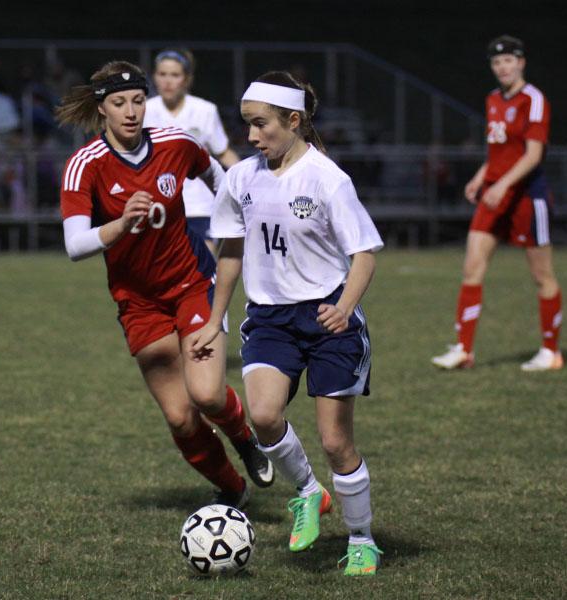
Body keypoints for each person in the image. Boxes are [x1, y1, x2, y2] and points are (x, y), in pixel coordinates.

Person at [190, 71, 385, 576]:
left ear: (293, 121)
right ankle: (307, 492)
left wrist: (344, 306)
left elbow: (363, 254)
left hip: (327, 319)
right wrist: (215, 320)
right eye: (247, 125)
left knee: (336, 442)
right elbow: (231, 251)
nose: (252, 137)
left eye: (261, 125)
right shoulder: (241, 179)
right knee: (264, 415)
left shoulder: (327, 179)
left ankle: (362, 538)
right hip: (271, 319)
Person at [55, 61, 274, 509]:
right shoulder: (85, 166)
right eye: (119, 103)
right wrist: (121, 223)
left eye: (137, 100)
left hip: (193, 281)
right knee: (179, 416)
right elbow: (75, 244)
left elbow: (216, 174)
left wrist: (230, 224)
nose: (131, 111)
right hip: (139, 302)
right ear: (103, 109)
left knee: (208, 393)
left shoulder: (175, 144)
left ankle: (245, 439)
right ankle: (233, 488)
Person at [431, 35, 563, 372]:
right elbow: (499, 153)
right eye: (496, 62)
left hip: (526, 196)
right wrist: (481, 176)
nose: (503, 67)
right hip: (495, 193)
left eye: (509, 60)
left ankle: (551, 352)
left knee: (542, 275)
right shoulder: (493, 100)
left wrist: (503, 184)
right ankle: (464, 349)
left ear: (521, 62)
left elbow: (533, 155)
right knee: (472, 267)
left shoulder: (533, 100)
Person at [143, 49, 240, 254]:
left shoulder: (205, 110)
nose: (168, 81)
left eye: (175, 75)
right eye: (162, 74)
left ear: (186, 79)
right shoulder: (144, 110)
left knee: (201, 270)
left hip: (200, 206)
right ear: (154, 77)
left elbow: (223, 153)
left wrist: (245, 180)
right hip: (158, 206)